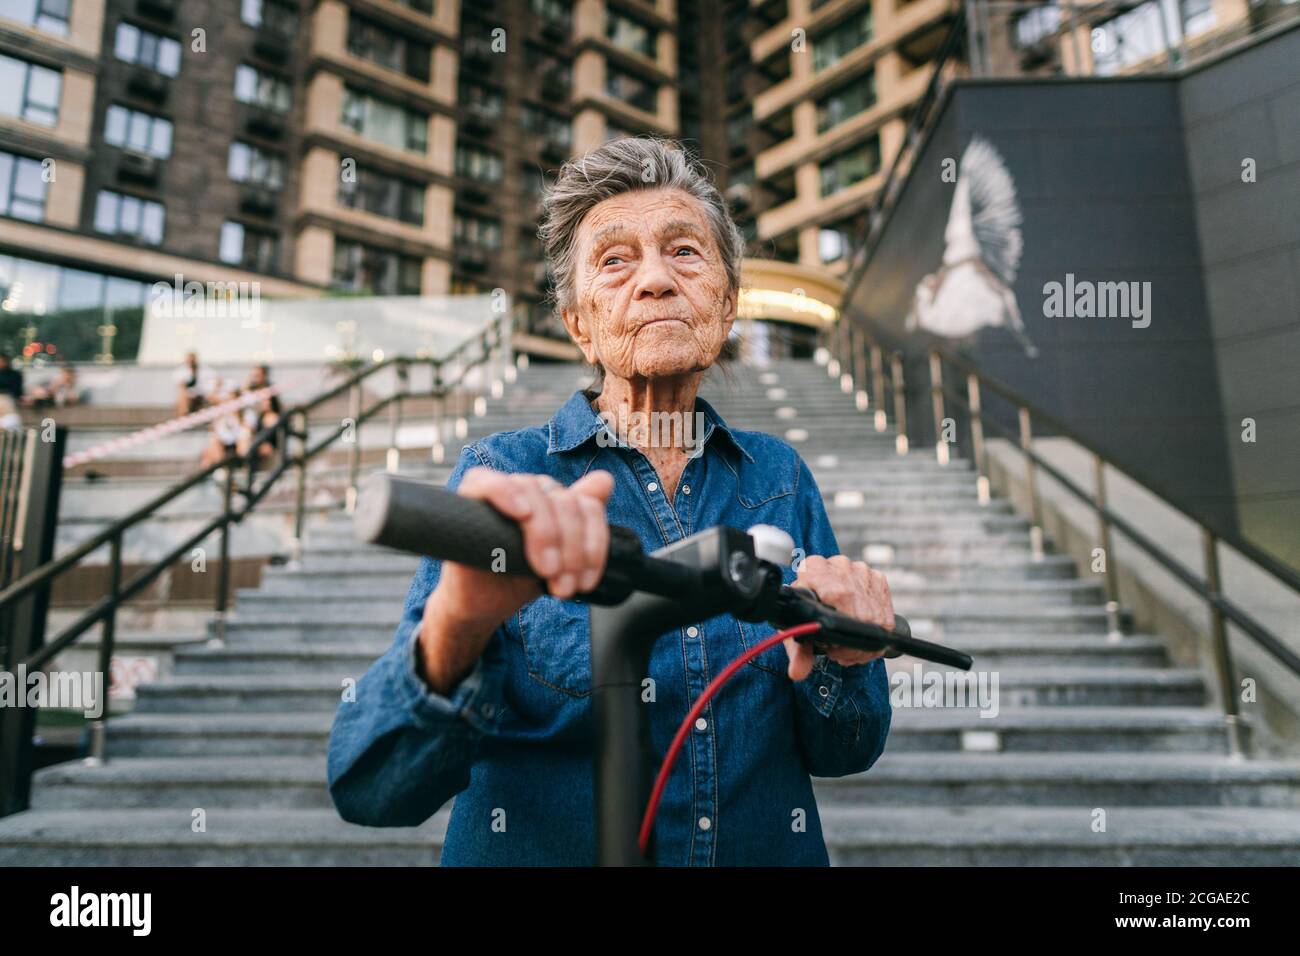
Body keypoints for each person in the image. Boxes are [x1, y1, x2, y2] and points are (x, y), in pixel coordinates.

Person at [327, 138, 894, 866]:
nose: (655, 279)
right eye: (616, 260)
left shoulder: (780, 477)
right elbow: (374, 787)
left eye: (684, 252)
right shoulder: (503, 474)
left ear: (726, 306)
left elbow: (846, 750)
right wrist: (456, 625)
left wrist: (848, 656)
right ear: (579, 326)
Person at [174, 351, 214, 418]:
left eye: (192, 360)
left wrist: (213, 390)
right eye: (189, 360)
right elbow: (180, 386)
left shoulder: (204, 369)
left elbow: (216, 378)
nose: (191, 362)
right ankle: (183, 416)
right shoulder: (180, 371)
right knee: (182, 398)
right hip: (188, 395)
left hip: (203, 394)